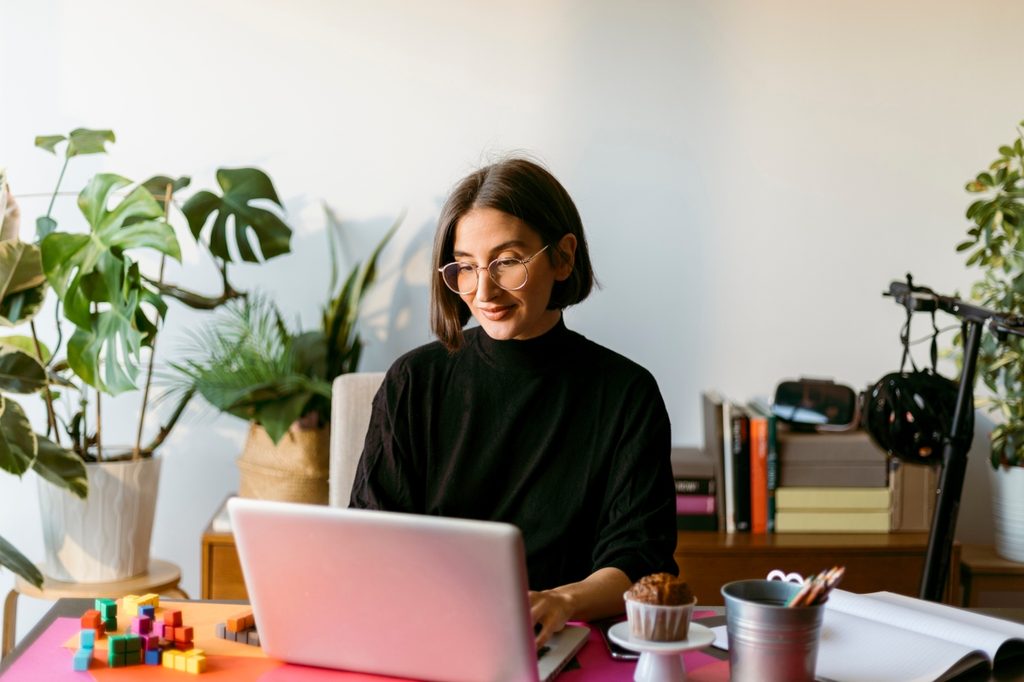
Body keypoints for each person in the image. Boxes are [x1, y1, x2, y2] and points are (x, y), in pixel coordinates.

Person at [349, 157, 677, 646]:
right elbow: (370, 540)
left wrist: (561, 601)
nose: (483, 290)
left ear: (562, 258)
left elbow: (639, 559)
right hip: (425, 636)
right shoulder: (413, 381)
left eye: (506, 262)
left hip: (563, 638)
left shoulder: (626, 393)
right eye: (466, 266)